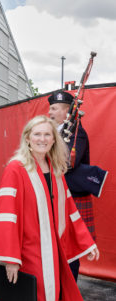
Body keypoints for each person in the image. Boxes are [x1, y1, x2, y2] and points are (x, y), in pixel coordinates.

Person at [0, 115, 99, 301]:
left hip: (52, 252)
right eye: (37, 134)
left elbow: (69, 209)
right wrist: (10, 259)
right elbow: (6, 215)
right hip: (26, 252)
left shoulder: (54, 168)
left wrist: (87, 242)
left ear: (54, 140)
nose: (42, 139)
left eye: (47, 134)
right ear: (27, 138)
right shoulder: (16, 168)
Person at [48, 91, 107, 281]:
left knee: (69, 245)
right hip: (54, 194)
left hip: (71, 196)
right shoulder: (51, 132)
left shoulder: (76, 132)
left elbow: (67, 163)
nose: (49, 112)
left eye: (54, 108)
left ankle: (69, 287)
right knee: (55, 243)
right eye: (50, 108)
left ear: (67, 112)